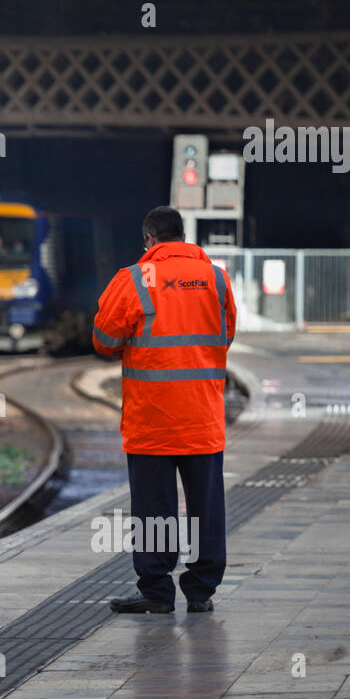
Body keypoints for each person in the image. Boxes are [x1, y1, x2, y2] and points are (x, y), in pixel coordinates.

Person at [91, 206, 236, 614]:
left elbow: (103, 338)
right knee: (206, 507)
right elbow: (225, 335)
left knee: (154, 510)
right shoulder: (216, 279)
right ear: (183, 236)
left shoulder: (135, 278)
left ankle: (156, 593)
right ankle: (202, 591)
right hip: (203, 418)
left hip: (151, 420)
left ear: (149, 240)